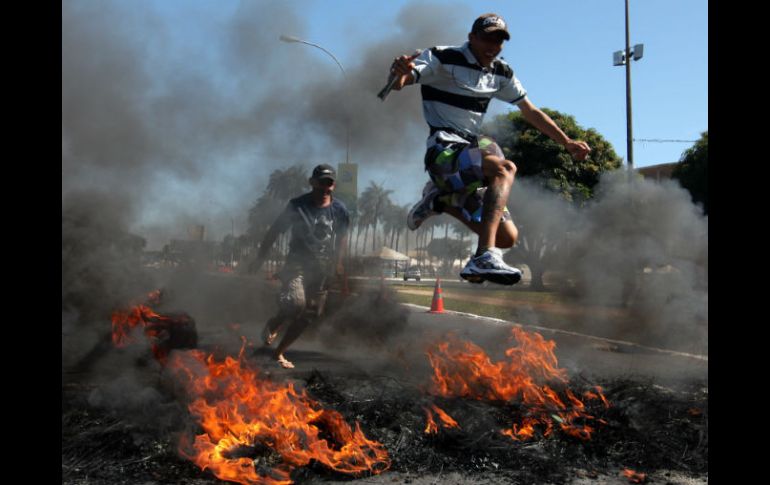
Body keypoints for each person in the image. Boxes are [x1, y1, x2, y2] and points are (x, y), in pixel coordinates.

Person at [389, 13, 591, 285]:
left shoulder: (502, 72)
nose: (492, 45)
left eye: (499, 40)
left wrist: (566, 141)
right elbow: (402, 81)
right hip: (443, 150)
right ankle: (484, 255)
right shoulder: (442, 56)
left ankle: (440, 201)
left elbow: (529, 110)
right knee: (504, 167)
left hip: (471, 148)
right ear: (471, 37)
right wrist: (399, 73)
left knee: (508, 237)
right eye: (487, 38)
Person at [248, 164, 350, 368]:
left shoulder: (340, 210)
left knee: (311, 314)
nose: (325, 187)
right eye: (321, 182)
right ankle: (275, 322)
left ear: (333, 186)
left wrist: (338, 265)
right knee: (296, 303)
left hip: (322, 269)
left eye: (329, 183)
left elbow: (341, 239)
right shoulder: (297, 206)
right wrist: (260, 258)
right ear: (312, 183)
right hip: (297, 264)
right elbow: (275, 231)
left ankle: (279, 353)